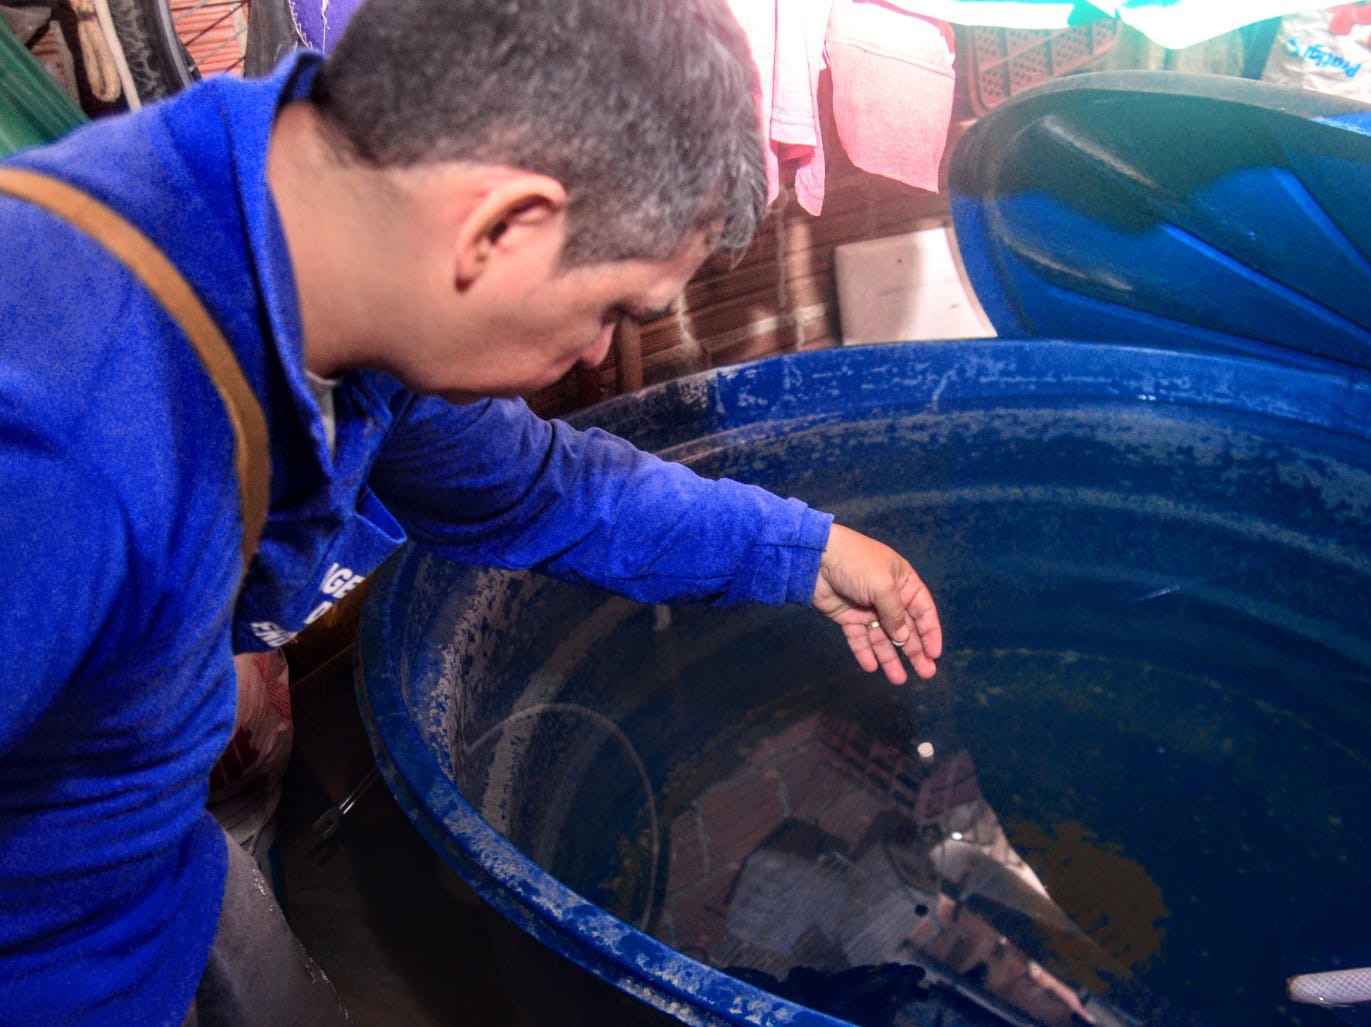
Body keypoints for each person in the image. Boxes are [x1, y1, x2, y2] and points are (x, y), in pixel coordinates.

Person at [0, 0, 943, 1022]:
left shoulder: (312, 243)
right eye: (612, 312)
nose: (595, 355)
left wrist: (808, 551)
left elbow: (538, 489)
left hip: (155, 876)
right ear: (499, 226)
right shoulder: (57, 438)